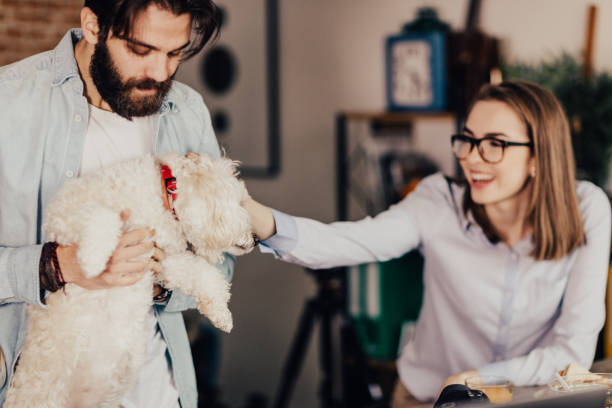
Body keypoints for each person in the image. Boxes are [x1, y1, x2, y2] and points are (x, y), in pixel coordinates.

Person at [243, 80, 612, 405]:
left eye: (494, 144)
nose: (471, 158)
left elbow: (572, 351)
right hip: (428, 400)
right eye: (467, 140)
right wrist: (261, 220)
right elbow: (353, 241)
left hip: (528, 400)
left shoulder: (585, 208)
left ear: (538, 157)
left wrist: (481, 378)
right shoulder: (438, 202)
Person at [0, 1, 234, 407]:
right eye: (141, 51)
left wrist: (160, 282)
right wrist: (57, 266)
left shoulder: (187, 112)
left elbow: (221, 257)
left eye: (174, 53)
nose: (161, 74)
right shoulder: (8, 103)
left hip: (158, 394)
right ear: (93, 25)